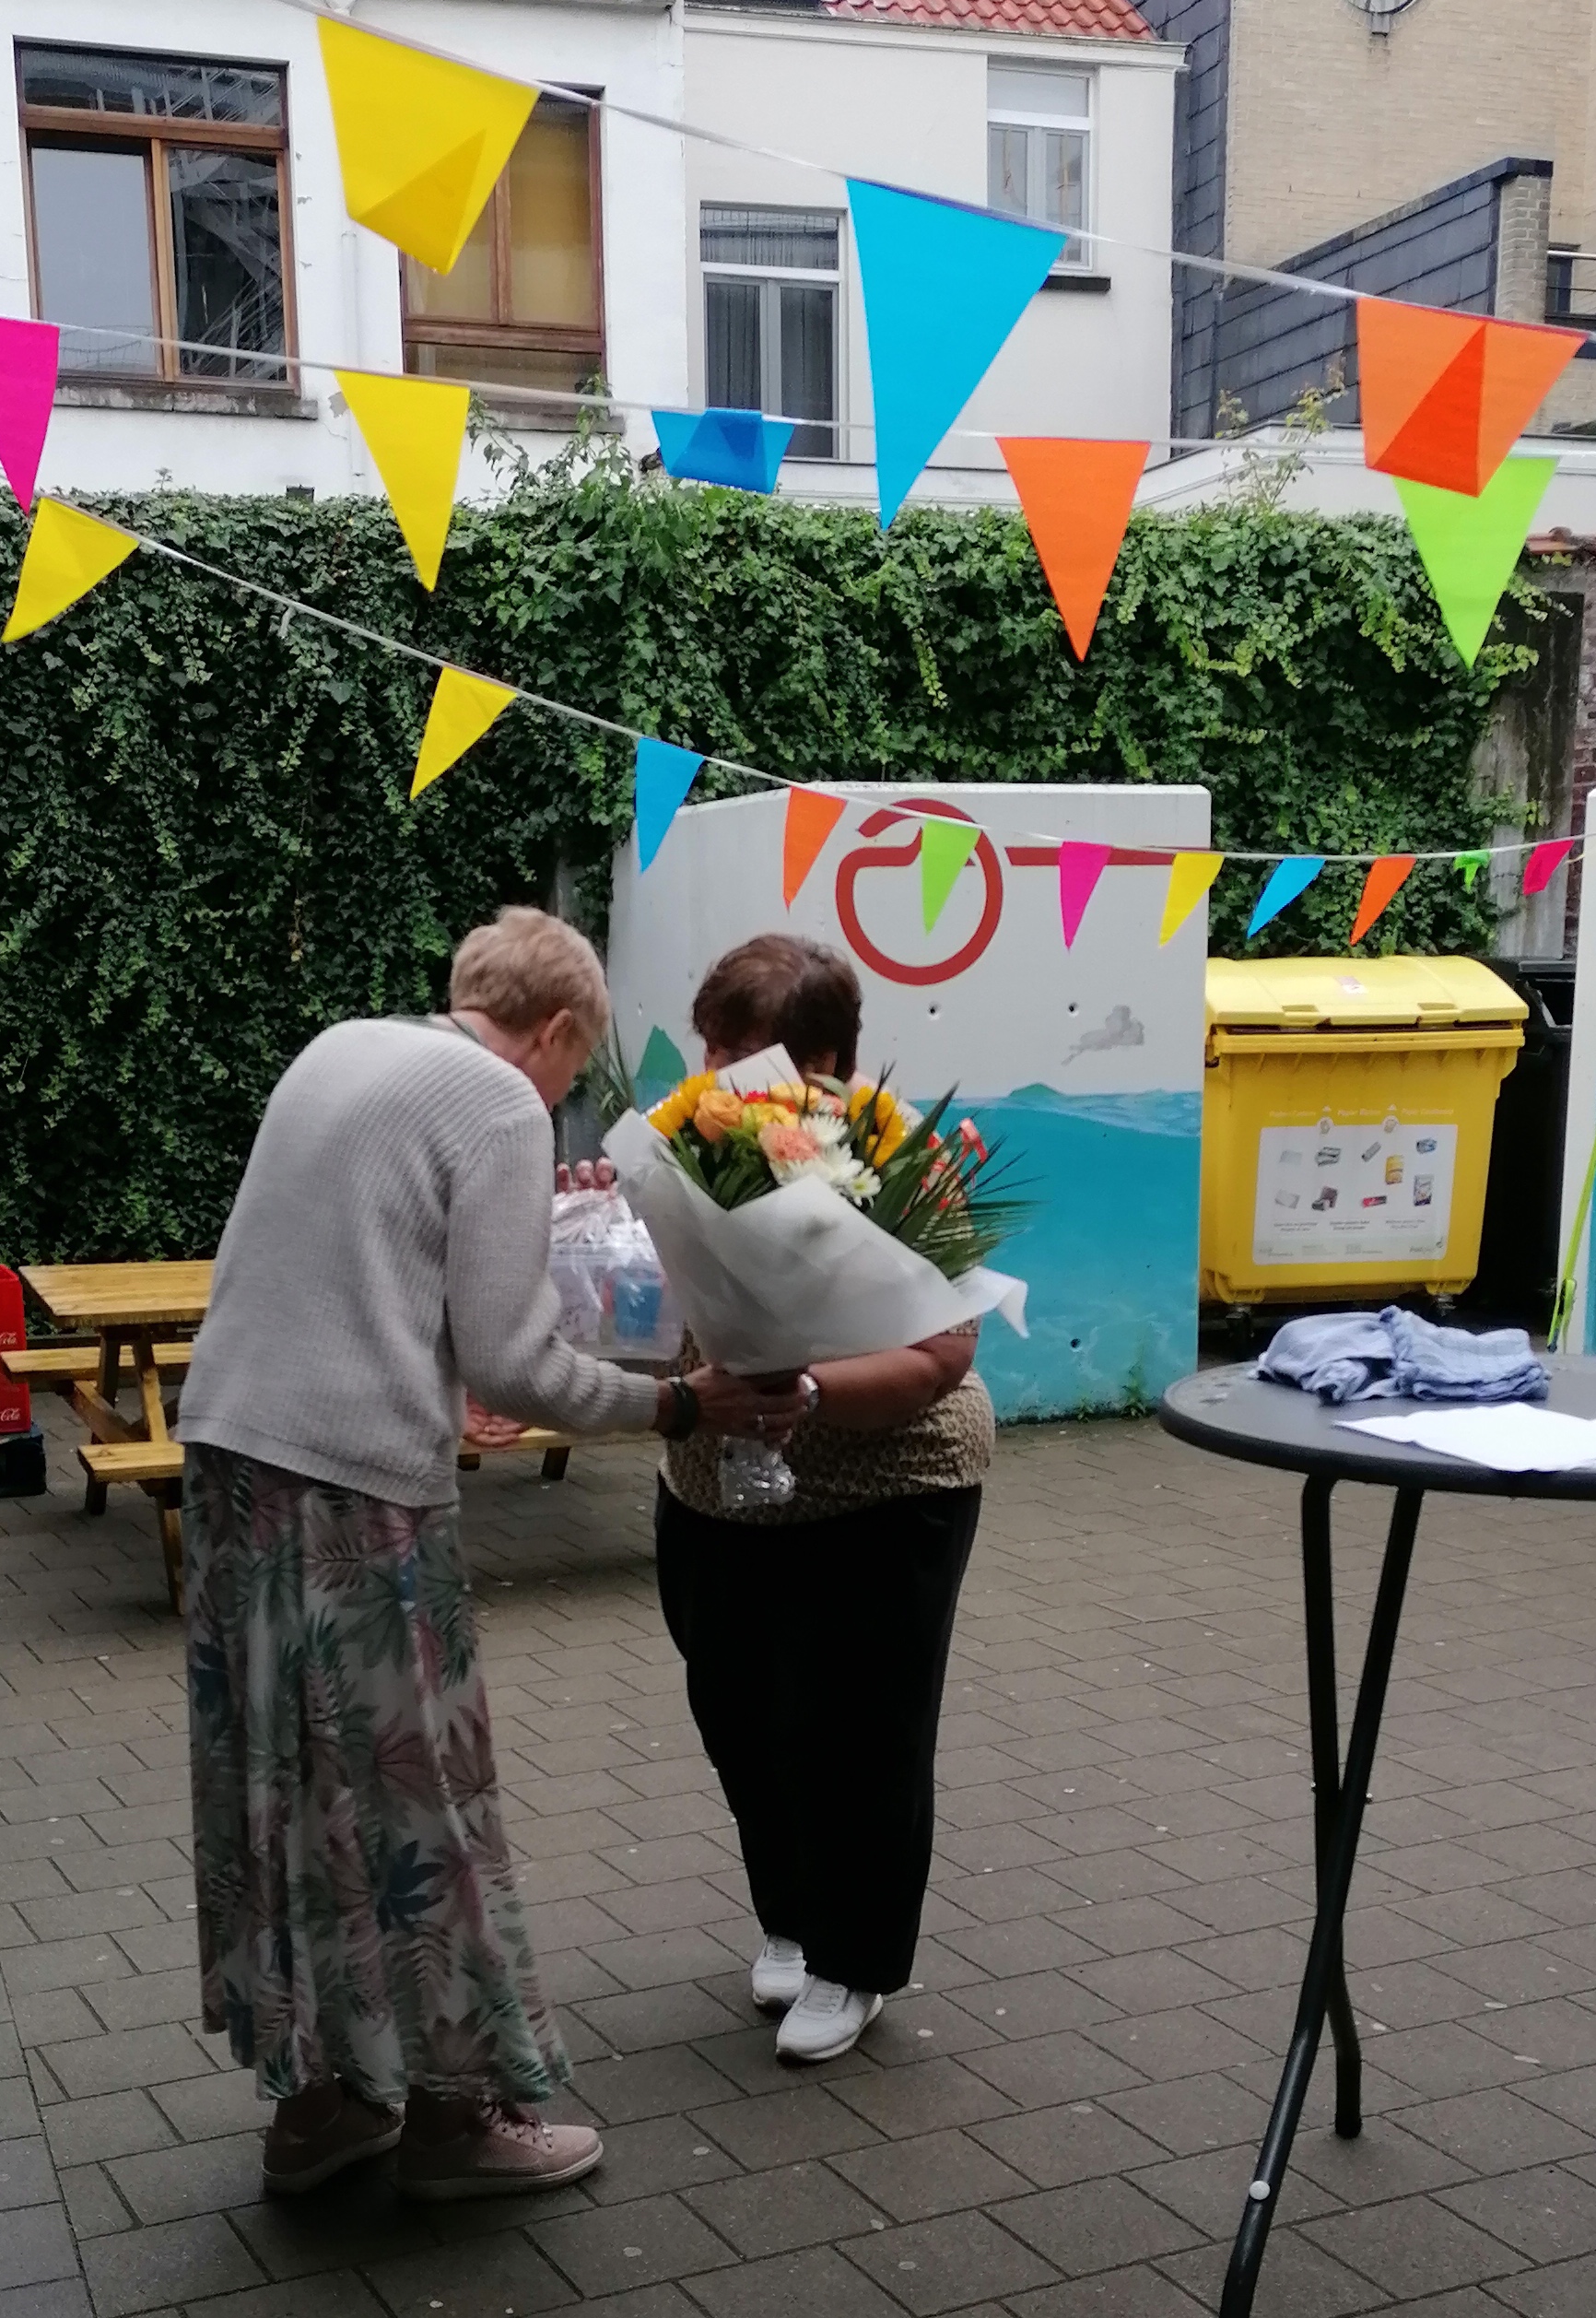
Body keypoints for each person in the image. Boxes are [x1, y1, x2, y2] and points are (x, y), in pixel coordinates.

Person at [178, 907, 792, 2200]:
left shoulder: (342, 1045)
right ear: (557, 1029)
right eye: (573, 1072)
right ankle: (459, 2121)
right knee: (417, 1797)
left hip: (231, 1460)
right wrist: (682, 1407)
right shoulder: (501, 1102)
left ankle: (321, 2105)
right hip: (353, 1493)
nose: (562, 1101)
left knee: (285, 1786)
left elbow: (368, 1270)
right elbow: (516, 1361)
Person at [653, 930, 993, 2067]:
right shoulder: (690, 1142)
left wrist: (805, 1390)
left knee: (856, 1731)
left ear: (824, 1066)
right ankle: (791, 1920)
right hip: (716, 1488)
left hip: (885, 1487)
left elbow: (942, 1352)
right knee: (738, 1714)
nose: (714, 1076)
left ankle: (855, 1959)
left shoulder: (900, 1161)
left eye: (738, 1055)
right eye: (709, 1051)